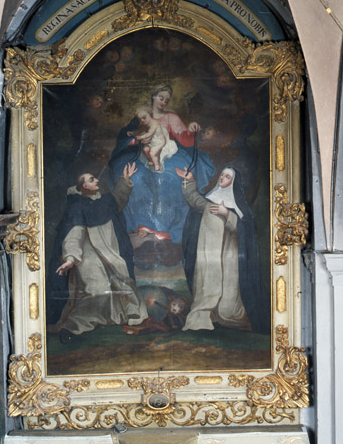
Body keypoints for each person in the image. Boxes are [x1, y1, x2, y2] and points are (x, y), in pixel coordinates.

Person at [49, 163, 148, 343]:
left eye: (95, 178)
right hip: (87, 255)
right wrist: (71, 258)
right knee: (96, 290)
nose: (96, 181)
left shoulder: (104, 200)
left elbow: (118, 198)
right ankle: (72, 327)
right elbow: (74, 234)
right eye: (91, 179)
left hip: (110, 252)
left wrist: (125, 180)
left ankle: (125, 315)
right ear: (83, 186)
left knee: (123, 282)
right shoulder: (77, 206)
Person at [108, 84, 215, 245]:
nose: (164, 102)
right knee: (136, 179)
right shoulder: (142, 116)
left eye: (167, 100)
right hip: (141, 154)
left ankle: (164, 230)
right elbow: (128, 135)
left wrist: (191, 130)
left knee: (169, 179)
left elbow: (184, 138)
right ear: (153, 96)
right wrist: (133, 139)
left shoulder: (171, 117)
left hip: (168, 154)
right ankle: (141, 226)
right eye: (161, 98)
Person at [176, 166, 270, 334]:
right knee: (207, 284)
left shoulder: (238, 205)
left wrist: (227, 214)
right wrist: (190, 181)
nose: (222, 178)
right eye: (222, 175)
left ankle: (229, 318)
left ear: (232, 182)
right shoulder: (211, 199)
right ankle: (205, 316)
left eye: (227, 177)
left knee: (228, 299)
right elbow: (195, 200)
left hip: (230, 257)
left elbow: (246, 229)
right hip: (209, 255)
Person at [127, 105, 177, 172]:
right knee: (145, 149)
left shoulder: (154, 123)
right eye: (140, 119)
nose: (142, 120)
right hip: (152, 142)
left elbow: (149, 134)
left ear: (150, 114)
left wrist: (140, 137)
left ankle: (157, 165)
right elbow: (139, 130)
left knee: (152, 152)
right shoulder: (145, 124)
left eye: (144, 118)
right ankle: (151, 160)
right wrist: (132, 133)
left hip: (160, 142)